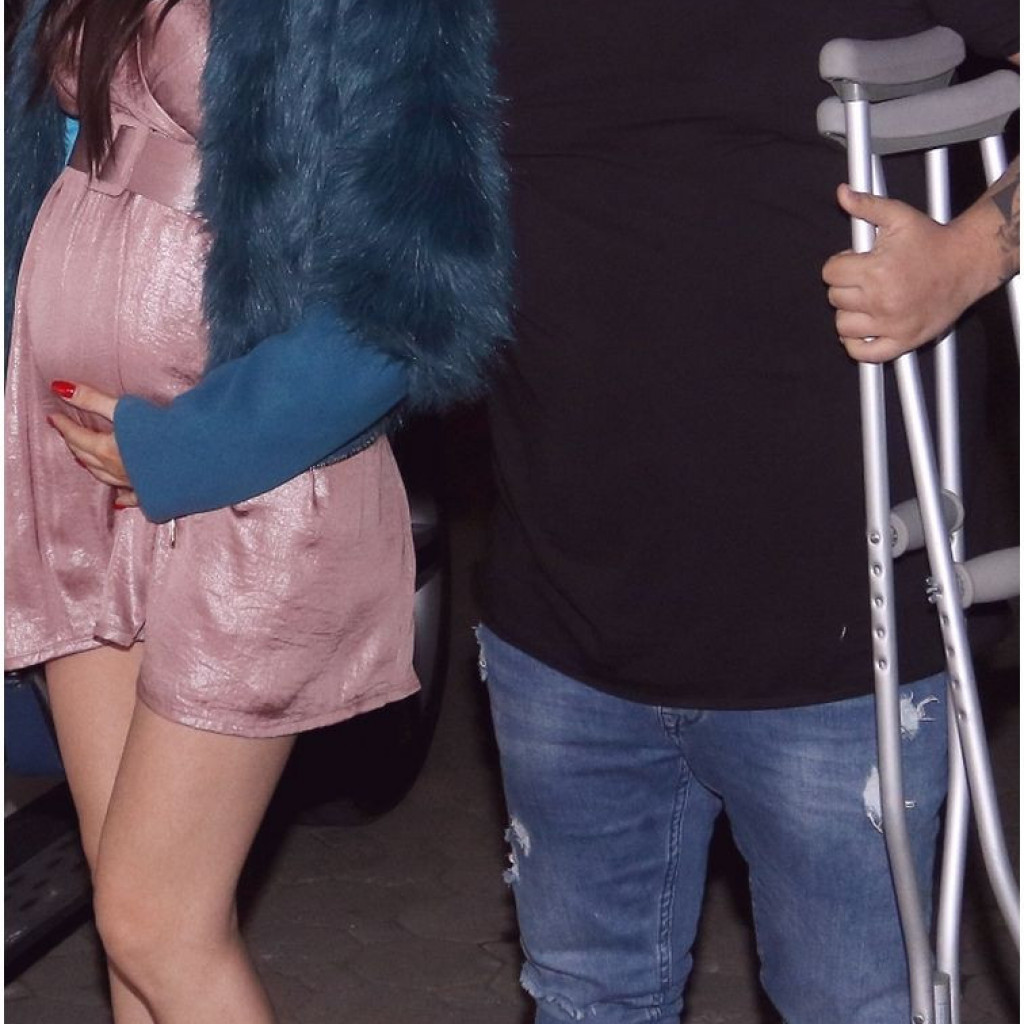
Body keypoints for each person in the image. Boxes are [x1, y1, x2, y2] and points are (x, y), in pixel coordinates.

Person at [11, 3, 1017, 1024]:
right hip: (564, 615)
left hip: (834, 627)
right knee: (585, 1000)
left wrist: (969, 257)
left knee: (849, 1004)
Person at [3, 1, 508, 1022]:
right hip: (79, 469)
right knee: (135, 926)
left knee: (156, 920)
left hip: (252, 480)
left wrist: (184, 448)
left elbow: (416, 293)